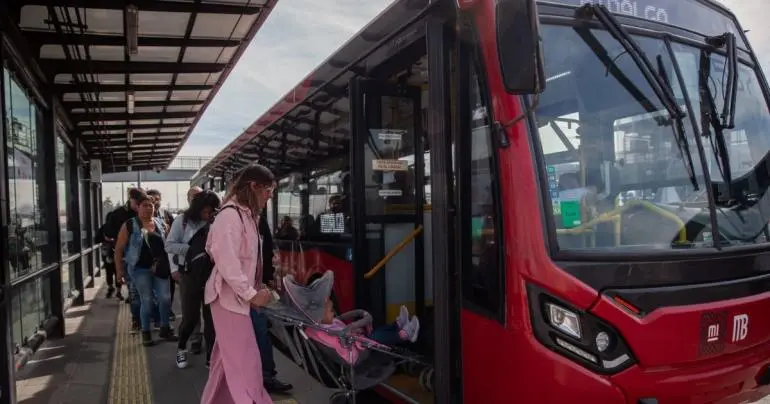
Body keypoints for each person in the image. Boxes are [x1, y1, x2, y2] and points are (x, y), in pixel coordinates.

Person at [200, 164, 276, 404]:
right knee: (246, 361)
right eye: (267, 190)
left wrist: (252, 292)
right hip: (228, 299)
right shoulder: (230, 216)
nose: (270, 196)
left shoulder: (244, 215)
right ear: (253, 186)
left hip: (234, 298)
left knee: (227, 360)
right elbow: (227, 262)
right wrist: (252, 294)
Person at [114, 191, 177, 346]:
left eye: (151, 206)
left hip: (160, 268)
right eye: (145, 205)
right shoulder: (129, 225)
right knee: (147, 300)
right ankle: (146, 332)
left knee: (165, 298)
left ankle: (164, 328)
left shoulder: (161, 224)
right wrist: (119, 270)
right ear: (138, 207)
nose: (149, 208)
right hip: (139, 269)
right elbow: (119, 249)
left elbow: (169, 245)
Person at [167, 190, 221, 369]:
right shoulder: (182, 221)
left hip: (211, 276)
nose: (208, 214)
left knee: (211, 319)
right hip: (189, 276)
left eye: (212, 211)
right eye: (205, 211)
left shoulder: (216, 222)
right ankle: (181, 348)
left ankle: (210, 357)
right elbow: (169, 245)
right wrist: (189, 251)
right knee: (190, 317)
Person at [252, 213, 293, 393]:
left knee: (261, 331)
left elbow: (267, 250)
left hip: (256, 288)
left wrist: (266, 280)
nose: (268, 196)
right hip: (236, 294)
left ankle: (267, 376)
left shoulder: (257, 219)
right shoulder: (229, 218)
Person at [147, 188, 177, 321]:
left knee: (168, 287)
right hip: (149, 259)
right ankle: (155, 313)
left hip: (166, 257)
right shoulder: (142, 217)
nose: (156, 202)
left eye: (157, 199)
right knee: (151, 289)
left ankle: (167, 310)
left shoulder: (166, 215)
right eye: (152, 199)